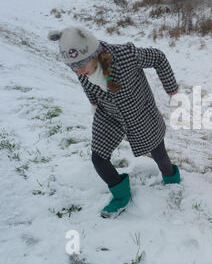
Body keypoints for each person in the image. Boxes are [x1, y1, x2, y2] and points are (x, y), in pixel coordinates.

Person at [48, 26, 180, 218]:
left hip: (139, 112)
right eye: (72, 67)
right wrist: (93, 103)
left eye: (81, 64)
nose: (78, 71)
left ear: (94, 53)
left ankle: (172, 180)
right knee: (98, 158)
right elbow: (87, 85)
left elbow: (158, 57)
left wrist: (172, 89)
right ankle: (121, 195)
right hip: (108, 114)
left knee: (158, 152)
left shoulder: (125, 55)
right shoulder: (80, 69)